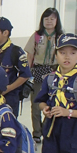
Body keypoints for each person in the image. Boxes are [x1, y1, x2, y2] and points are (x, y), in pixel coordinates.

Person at [25, 8, 63, 144]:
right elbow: (30, 56)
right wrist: (27, 75)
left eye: (52, 18)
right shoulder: (36, 35)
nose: (49, 21)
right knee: (35, 104)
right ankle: (36, 132)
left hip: (54, 72)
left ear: (57, 21)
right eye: (46, 19)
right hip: (38, 72)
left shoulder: (61, 37)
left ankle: (46, 129)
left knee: (51, 103)